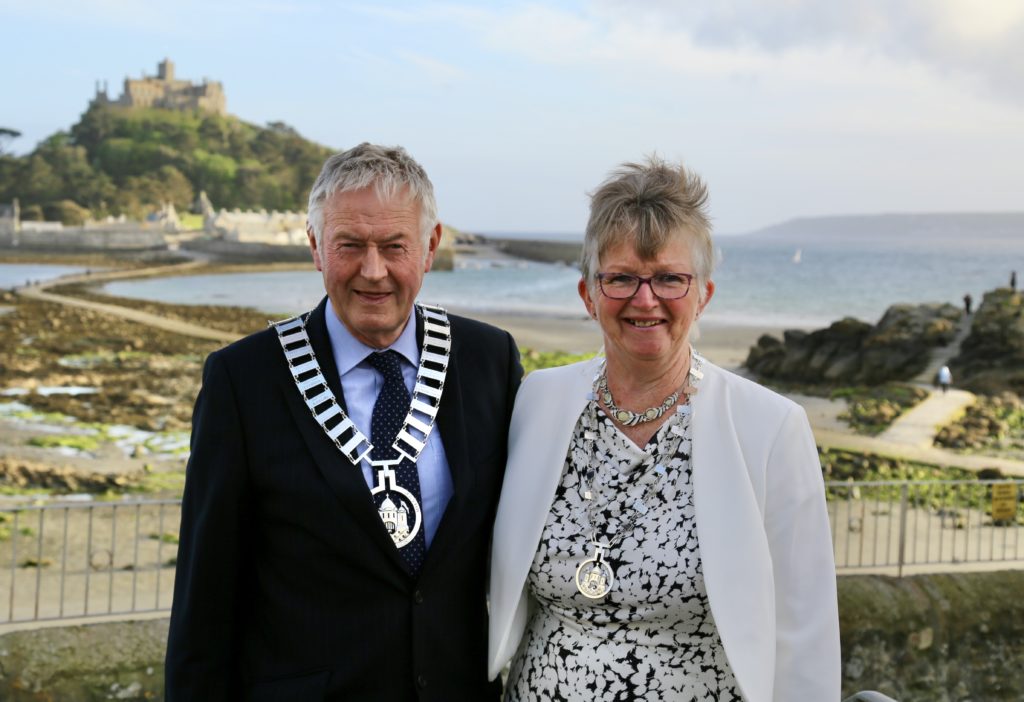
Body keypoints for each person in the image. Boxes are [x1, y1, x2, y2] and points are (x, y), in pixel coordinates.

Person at [166, 143, 522, 700]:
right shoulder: (244, 380)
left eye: (394, 246)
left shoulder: (487, 361)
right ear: (315, 246)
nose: (373, 271)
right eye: (349, 245)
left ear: (430, 247)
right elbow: (203, 601)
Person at [488, 157, 840, 701]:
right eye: (622, 277)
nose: (645, 299)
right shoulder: (537, 400)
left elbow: (806, 634)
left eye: (670, 279)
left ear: (703, 294)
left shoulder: (770, 429)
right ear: (588, 295)